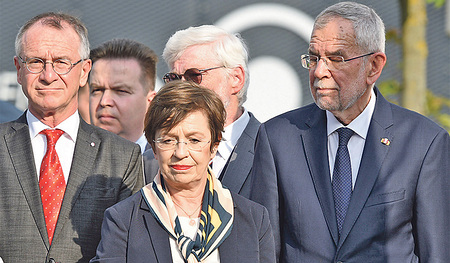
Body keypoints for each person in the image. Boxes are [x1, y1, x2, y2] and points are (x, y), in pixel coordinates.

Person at [250, 2, 450, 262]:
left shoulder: (424, 143)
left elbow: (438, 253)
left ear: (374, 67)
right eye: (314, 58)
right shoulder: (277, 138)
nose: (320, 72)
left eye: (336, 59)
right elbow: (262, 250)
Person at [0, 12, 143, 263]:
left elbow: (128, 249)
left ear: (84, 71)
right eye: (35, 62)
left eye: (61, 62)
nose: (48, 75)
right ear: (18, 69)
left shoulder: (123, 157)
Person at [91, 81, 275, 263]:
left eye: (194, 140)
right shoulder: (123, 220)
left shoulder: (254, 219)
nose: (180, 152)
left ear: (214, 145)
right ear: (153, 147)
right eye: (168, 140)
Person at [144, 25, 260, 197]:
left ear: (236, 78)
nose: (182, 87)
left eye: (194, 76)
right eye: (174, 79)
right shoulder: (152, 155)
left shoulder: (269, 148)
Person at [89, 38, 158, 153]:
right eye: (97, 90)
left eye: (120, 91)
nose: (104, 101)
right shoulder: (67, 156)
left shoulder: (165, 162)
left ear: (150, 101)